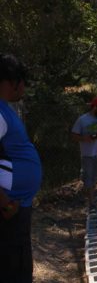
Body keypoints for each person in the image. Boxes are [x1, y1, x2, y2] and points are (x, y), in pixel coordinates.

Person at [0, 54, 42, 282]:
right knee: (14, 270)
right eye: (22, 81)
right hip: (9, 210)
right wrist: (5, 203)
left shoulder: (4, 109)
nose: (24, 87)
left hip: (15, 207)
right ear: (12, 81)